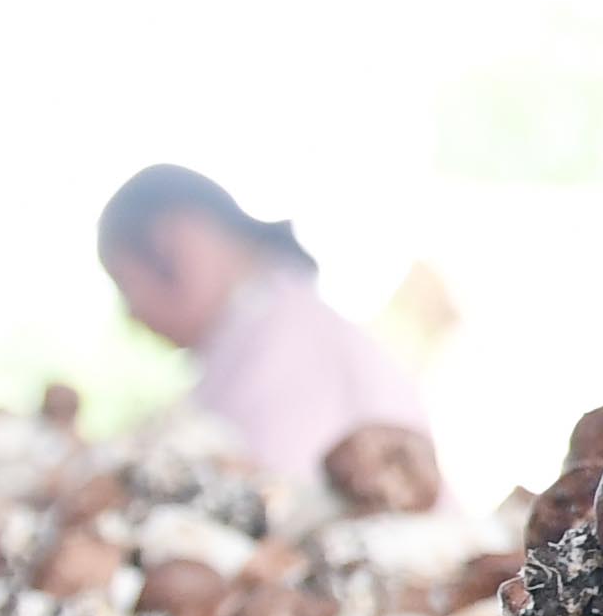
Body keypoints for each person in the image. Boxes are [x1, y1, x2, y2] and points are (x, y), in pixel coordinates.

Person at [95, 167, 431, 489]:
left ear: (176, 245)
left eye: (126, 285)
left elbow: (270, 503)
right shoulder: (256, 330)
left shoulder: (288, 336)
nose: (133, 317)